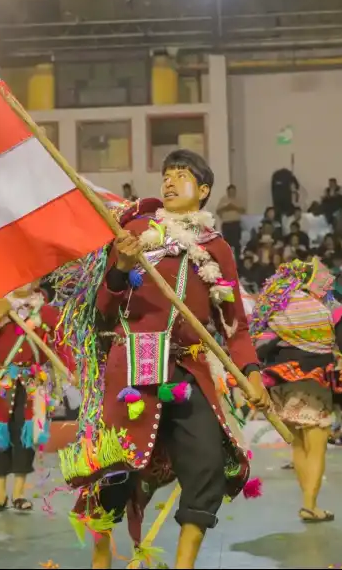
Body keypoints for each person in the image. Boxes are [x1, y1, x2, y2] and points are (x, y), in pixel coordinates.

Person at [58, 149, 270, 569]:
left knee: (208, 463)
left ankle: (184, 564)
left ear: (204, 189)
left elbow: (235, 326)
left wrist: (252, 374)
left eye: (182, 175)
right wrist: (122, 264)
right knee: (114, 470)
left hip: (189, 369)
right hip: (131, 369)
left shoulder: (217, 249)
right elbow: (104, 306)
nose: (170, 182)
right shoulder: (134, 231)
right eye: (166, 175)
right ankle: (101, 561)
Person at [251, 256, 342, 523]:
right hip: (314, 381)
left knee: (298, 444)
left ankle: (308, 502)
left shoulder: (281, 305)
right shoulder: (329, 306)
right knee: (317, 445)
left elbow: (264, 345)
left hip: (283, 381)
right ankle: (310, 505)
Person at [0, 282, 61, 515]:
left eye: (30, 278)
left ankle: (19, 494)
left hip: (31, 382)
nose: (25, 282)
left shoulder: (46, 310)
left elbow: (60, 340)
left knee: (26, 434)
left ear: (38, 280)